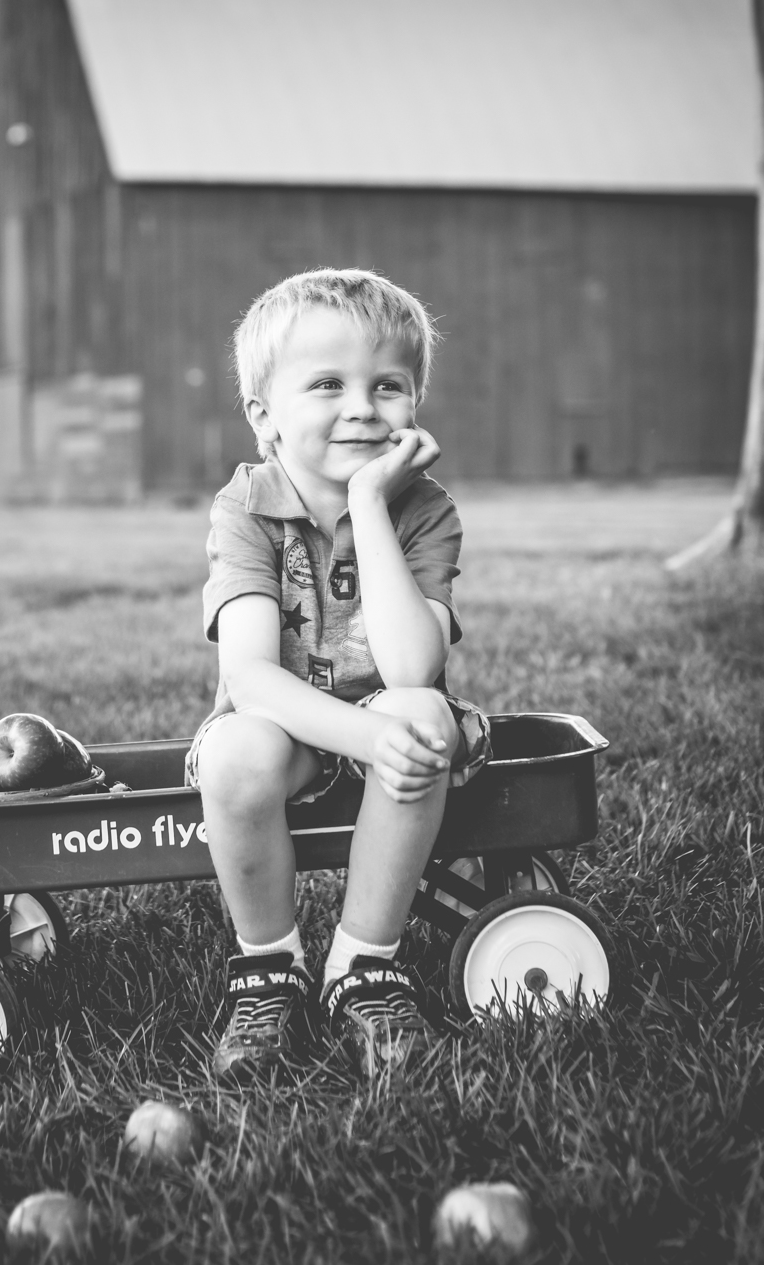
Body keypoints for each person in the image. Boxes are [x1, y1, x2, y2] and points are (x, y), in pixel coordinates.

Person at [187, 268, 490, 1080]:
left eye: (387, 385)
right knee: (233, 753)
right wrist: (365, 733)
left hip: (391, 724)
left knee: (423, 714)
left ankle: (364, 966)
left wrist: (366, 502)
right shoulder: (246, 508)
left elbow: (412, 664)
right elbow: (250, 678)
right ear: (265, 418)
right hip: (284, 733)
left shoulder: (421, 509)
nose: (361, 405)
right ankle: (269, 967)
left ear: (414, 404)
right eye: (327, 384)